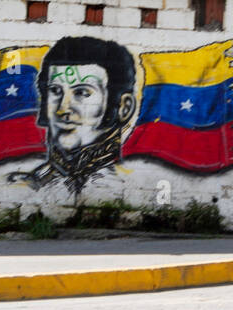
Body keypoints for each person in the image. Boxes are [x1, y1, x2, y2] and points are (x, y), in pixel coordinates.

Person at [9, 36, 137, 193]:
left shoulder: (131, 185)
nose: (63, 109)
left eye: (82, 92)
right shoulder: (25, 186)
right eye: (55, 91)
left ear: (124, 108)